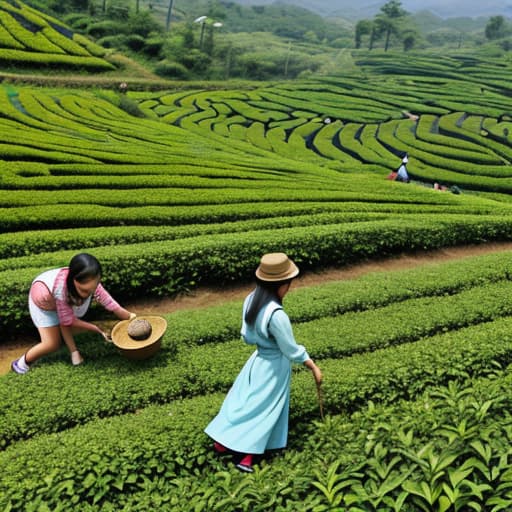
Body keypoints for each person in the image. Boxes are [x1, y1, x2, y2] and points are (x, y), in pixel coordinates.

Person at [204, 252, 322, 473]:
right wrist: (312, 365)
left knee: (245, 402)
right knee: (265, 410)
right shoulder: (277, 315)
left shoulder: (251, 299)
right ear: (281, 284)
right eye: (288, 284)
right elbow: (291, 349)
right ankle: (247, 457)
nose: (289, 288)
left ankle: (222, 442)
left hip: (257, 361)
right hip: (275, 367)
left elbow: (245, 336)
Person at [11, 253, 135, 374]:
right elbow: (68, 321)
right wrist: (97, 329)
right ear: (73, 280)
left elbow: (111, 305)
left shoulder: (90, 281)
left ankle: (74, 353)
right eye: (84, 290)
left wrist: (131, 317)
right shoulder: (61, 290)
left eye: (93, 289)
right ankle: (21, 364)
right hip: (44, 303)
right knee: (51, 344)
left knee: (67, 321)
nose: (89, 294)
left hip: (61, 300)